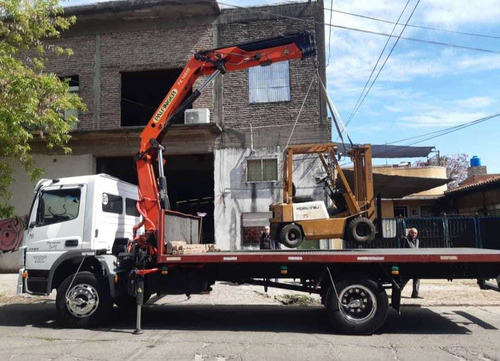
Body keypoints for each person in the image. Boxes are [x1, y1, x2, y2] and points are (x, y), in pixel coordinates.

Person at [401, 228, 421, 298]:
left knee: (417, 277)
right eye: (412, 232)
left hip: (415, 261)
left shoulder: (417, 241)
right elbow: (402, 251)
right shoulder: (405, 240)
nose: (414, 234)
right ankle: (398, 290)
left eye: (415, 233)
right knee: (406, 277)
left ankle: (415, 293)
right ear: (409, 233)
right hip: (408, 262)